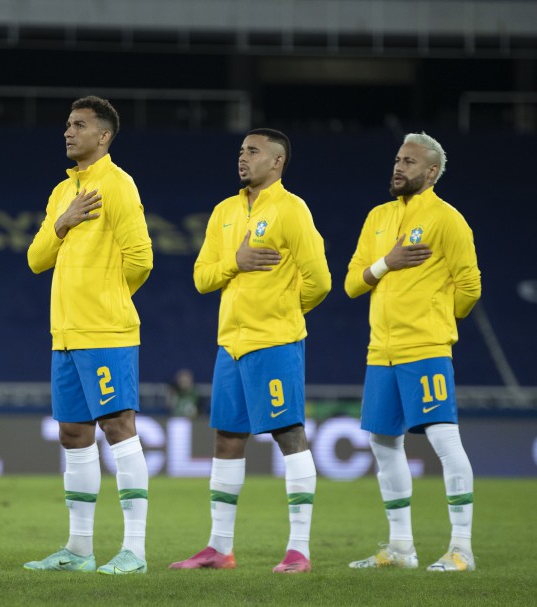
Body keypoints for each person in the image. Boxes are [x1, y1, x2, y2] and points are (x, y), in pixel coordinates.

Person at [170, 128, 330, 574]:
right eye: (241, 151)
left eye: (254, 151)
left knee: (289, 435)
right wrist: (234, 263)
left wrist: (281, 312)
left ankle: (299, 550)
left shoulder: (292, 210)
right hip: (231, 345)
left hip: (275, 342)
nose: (243, 158)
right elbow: (203, 278)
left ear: (277, 161)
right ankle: (219, 548)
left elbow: (319, 280)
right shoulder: (224, 211)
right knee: (226, 438)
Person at [24, 96, 153, 575]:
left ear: (103, 136)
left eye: (78, 125)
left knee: (118, 427)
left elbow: (141, 259)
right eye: (66, 124)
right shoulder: (63, 193)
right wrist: (63, 223)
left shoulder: (118, 185)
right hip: (65, 333)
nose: (67, 132)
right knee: (72, 433)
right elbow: (37, 258)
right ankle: (79, 550)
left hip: (105, 330)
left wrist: (107, 298)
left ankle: (134, 551)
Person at [345, 132, 481, 572]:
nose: (399, 167)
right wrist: (388, 262)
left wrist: (435, 318)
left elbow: (470, 287)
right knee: (384, 444)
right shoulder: (378, 218)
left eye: (410, 162)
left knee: (444, 440)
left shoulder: (448, 220)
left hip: (424, 347)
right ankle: (401, 548)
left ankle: (462, 549)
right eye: (398, 159)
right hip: (379, 352)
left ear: (432, 172)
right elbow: (352, 283)